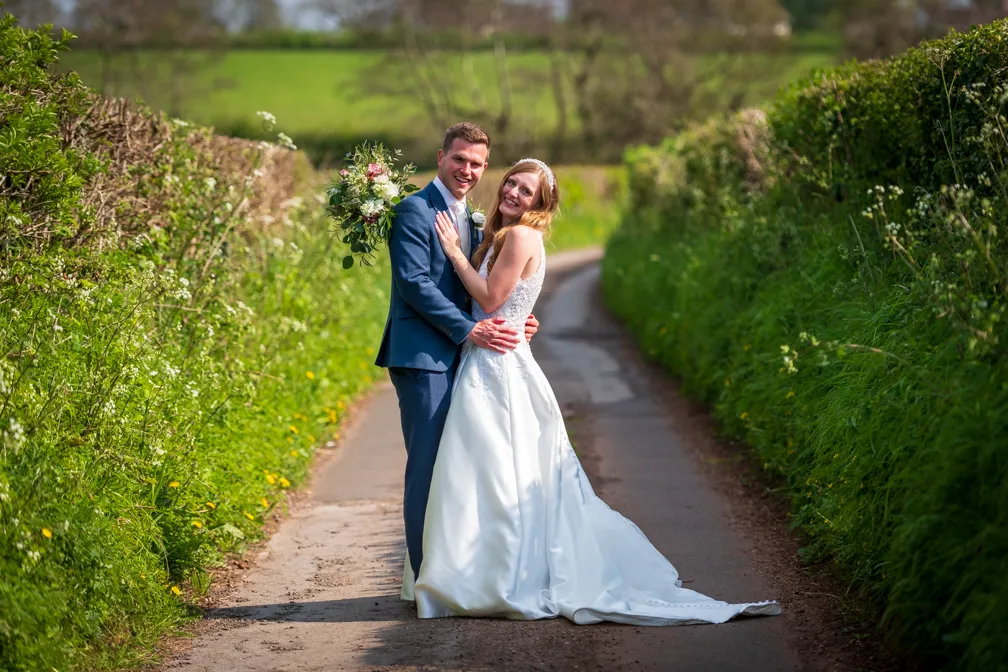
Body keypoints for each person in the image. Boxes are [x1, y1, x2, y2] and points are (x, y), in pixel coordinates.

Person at [407, 157, 782, 625]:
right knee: (485, 469)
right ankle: (476, 570)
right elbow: (497, 301)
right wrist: (517, 315)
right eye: (512, 184)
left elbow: (488, 298)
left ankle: (491, 574)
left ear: (540, 205)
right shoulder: (503, 236)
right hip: (490, 358)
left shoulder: (522, 235)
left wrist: (454, 252)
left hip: (498, 367)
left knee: (493, 467)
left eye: (527, 192)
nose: (513, 194)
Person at [375, 122, 539, 584]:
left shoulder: (472, 219)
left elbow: (486, 290)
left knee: (458, 469)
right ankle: (427, 580)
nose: (466, 170)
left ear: (486, 168)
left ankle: (456, 572)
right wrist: (470, 330)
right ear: (441, 156)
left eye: (476, 163)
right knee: (427, 467)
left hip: (464, 360)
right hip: (422, 357)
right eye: (459, 159)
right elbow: (414, 284)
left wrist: (516, 319)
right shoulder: (414, 210)